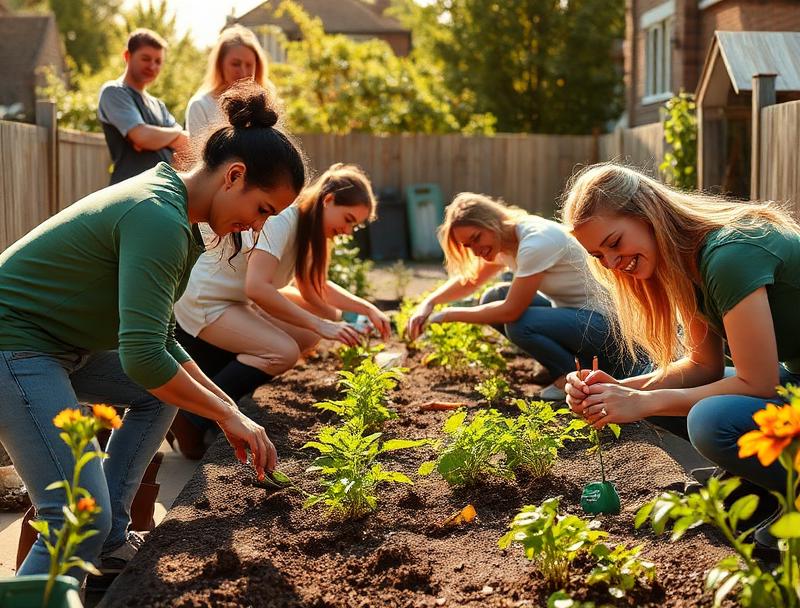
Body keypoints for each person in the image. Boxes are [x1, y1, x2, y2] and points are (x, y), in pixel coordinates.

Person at [0, 81, 306, 581]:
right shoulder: (158, 217)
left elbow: (160, 341)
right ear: (234, 176)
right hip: (14, 346)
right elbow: (142, 357)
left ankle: (111, 543)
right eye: (262, 210)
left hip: (58, 346)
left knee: (159, 395)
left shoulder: (178, 215)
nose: (255, 228)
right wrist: (230, 417)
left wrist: (227, 411)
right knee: (76, 517)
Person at [561, 162, 800, 543]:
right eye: (598, 256)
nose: (611, 263)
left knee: (709, 418)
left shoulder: (728, 255)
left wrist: (642, 403)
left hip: (781, 382)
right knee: (677, 401)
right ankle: (755, 488)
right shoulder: (684, 266)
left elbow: (758, 383)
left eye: (614, 243)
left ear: (647, 213)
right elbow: (703, 368)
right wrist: (618, 389)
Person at [171, 163, 390, 452]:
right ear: (328, 200)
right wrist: (322, 324)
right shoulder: (284, 218)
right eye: (348, 219)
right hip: (206, 300)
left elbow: (315, 286)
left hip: (234, 301)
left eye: (355, 225)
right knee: (282, 351)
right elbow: (257, 287)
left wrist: (367, 309)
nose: (348, 231)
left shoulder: (309, 231)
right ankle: (193, 417)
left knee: (307, 336)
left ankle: (231, 392)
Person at [406, 192, 637, 400]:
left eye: (476, 238)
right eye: (468, 246)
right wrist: (429, 302)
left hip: (607, 327)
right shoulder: (506, 241)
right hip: (578, 316)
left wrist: (445, 315)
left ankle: (574, 377)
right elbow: (471, 281)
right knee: (492, 296)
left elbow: (511, 311)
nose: (476, 250)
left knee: (519, 324)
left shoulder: (535, 241)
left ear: (491, 222)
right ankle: (561, 366)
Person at [98, 28, 190, 185]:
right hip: (128, 194)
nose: (153, 66)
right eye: (146, 59)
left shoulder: (158, 105)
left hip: (162, 192)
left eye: (158, 61)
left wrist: (156, 137)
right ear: (127, 56)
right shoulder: (114, 92)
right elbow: (142, 137)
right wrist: (174, 133)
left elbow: (186, 142)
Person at [185, 25, 271, 138]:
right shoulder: (200, 106)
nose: (243, 72)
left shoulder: (268, 104)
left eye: (249, 65)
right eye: (235, 64)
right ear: (220, 65)